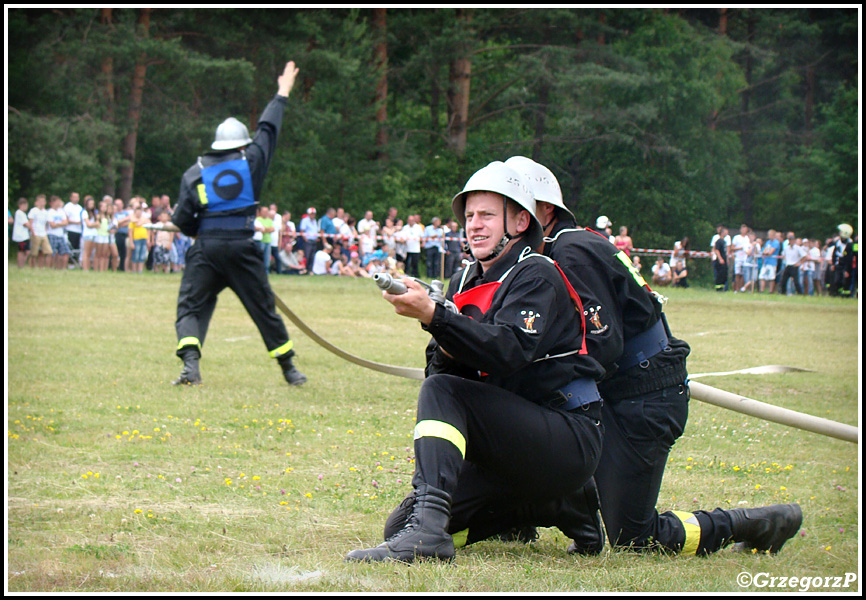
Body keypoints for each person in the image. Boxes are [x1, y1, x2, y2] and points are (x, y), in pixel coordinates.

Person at [500, 155, 802, 558]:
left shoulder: (570, 252)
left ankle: (755, 523)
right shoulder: (554, 249)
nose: (507, 221)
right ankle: (516, 519)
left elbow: (601, 342)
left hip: (641, 398)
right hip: (617, 391)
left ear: (545, 211)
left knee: (634, 538)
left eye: (516, 209)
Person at [345, 160, 606, 564]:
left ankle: (430, 533)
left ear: (520, 222)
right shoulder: (465, 279)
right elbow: (446, 371)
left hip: (566, 436)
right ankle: (556, 506)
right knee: (397, 527)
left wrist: (438, 317)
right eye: (469, 215)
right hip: (509, 442)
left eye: (486, 214)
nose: (474, 225)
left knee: (440, 395)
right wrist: (441, 327)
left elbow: (507, 350)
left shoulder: (537, 274)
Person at [170, 60, 306, 388]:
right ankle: (290, 370)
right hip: (243, 247)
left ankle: (190, 367)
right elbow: (268, 129)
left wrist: (200, 232)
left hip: (207, 248)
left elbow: (182, 219)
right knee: (263, 308)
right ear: (242, 145)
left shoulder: (195, 171)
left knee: (190, 305)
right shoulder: (253, 161)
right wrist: (282, 92)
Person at [829, 224, 855, 297]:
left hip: (845, 266)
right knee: (836, 280)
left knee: (845, 282)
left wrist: (847, 270)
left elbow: (849, 259)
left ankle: (845, 296)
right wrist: (833, 264)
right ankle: (836, 294)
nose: (839, 233)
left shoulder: (850, 244)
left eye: (841, 232)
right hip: (838, 265)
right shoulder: (838, 242)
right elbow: (834, 254)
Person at [46, 195, 71, 270]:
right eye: (57, 201)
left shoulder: (61, 211)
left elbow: (66, 222)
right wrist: (61, 223)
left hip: (61, 235)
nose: (59, 203)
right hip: (52, 234)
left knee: (65, 252)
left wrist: (57, 224)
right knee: (51, 253)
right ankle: (49, 268)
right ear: (53, 202)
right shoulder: (49, 212)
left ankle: (62, 268)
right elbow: (52, 225)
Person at [64, 191, 84, 262]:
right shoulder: (68, 206)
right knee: (70, 248)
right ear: (71, 198)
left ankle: (74, 262)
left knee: (77, 248)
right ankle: (69, 262)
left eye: (77, 197)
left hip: (78, 231)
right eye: (74, 197)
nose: (76, 199)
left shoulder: (80, 207)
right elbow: (66, 219)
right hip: (71, 230)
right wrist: (76, 222)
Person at [759, 229, 781, 293]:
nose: (768, 236)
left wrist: (767, 252)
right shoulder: (768, 242)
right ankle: (762, 290)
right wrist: (766, 252)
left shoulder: (776, 242)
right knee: (762, 276)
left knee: (771, 277)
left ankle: (771, 291)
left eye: (770, 235)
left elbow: (770, 252)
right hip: (766, 262)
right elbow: (764, 251)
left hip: (772, 262)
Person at [12, 197, 31, 268]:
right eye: (25, 205)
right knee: (21, 251)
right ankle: (20, 266)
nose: (26, 207)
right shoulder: (19, 213)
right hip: (21, 237)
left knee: (26, 251)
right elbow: (26, 224)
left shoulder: (22, 213)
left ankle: (21, 265)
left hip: (24, 236)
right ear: (20, 205)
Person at [712, 226, 729, 292]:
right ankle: (718, 288)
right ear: (722, 233)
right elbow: (717, 250)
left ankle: (722, 288)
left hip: (724, 260)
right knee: (719, 275)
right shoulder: (719, 241)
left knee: (724, 275)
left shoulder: (724, 241)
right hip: (720, 261)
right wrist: (720, 259)